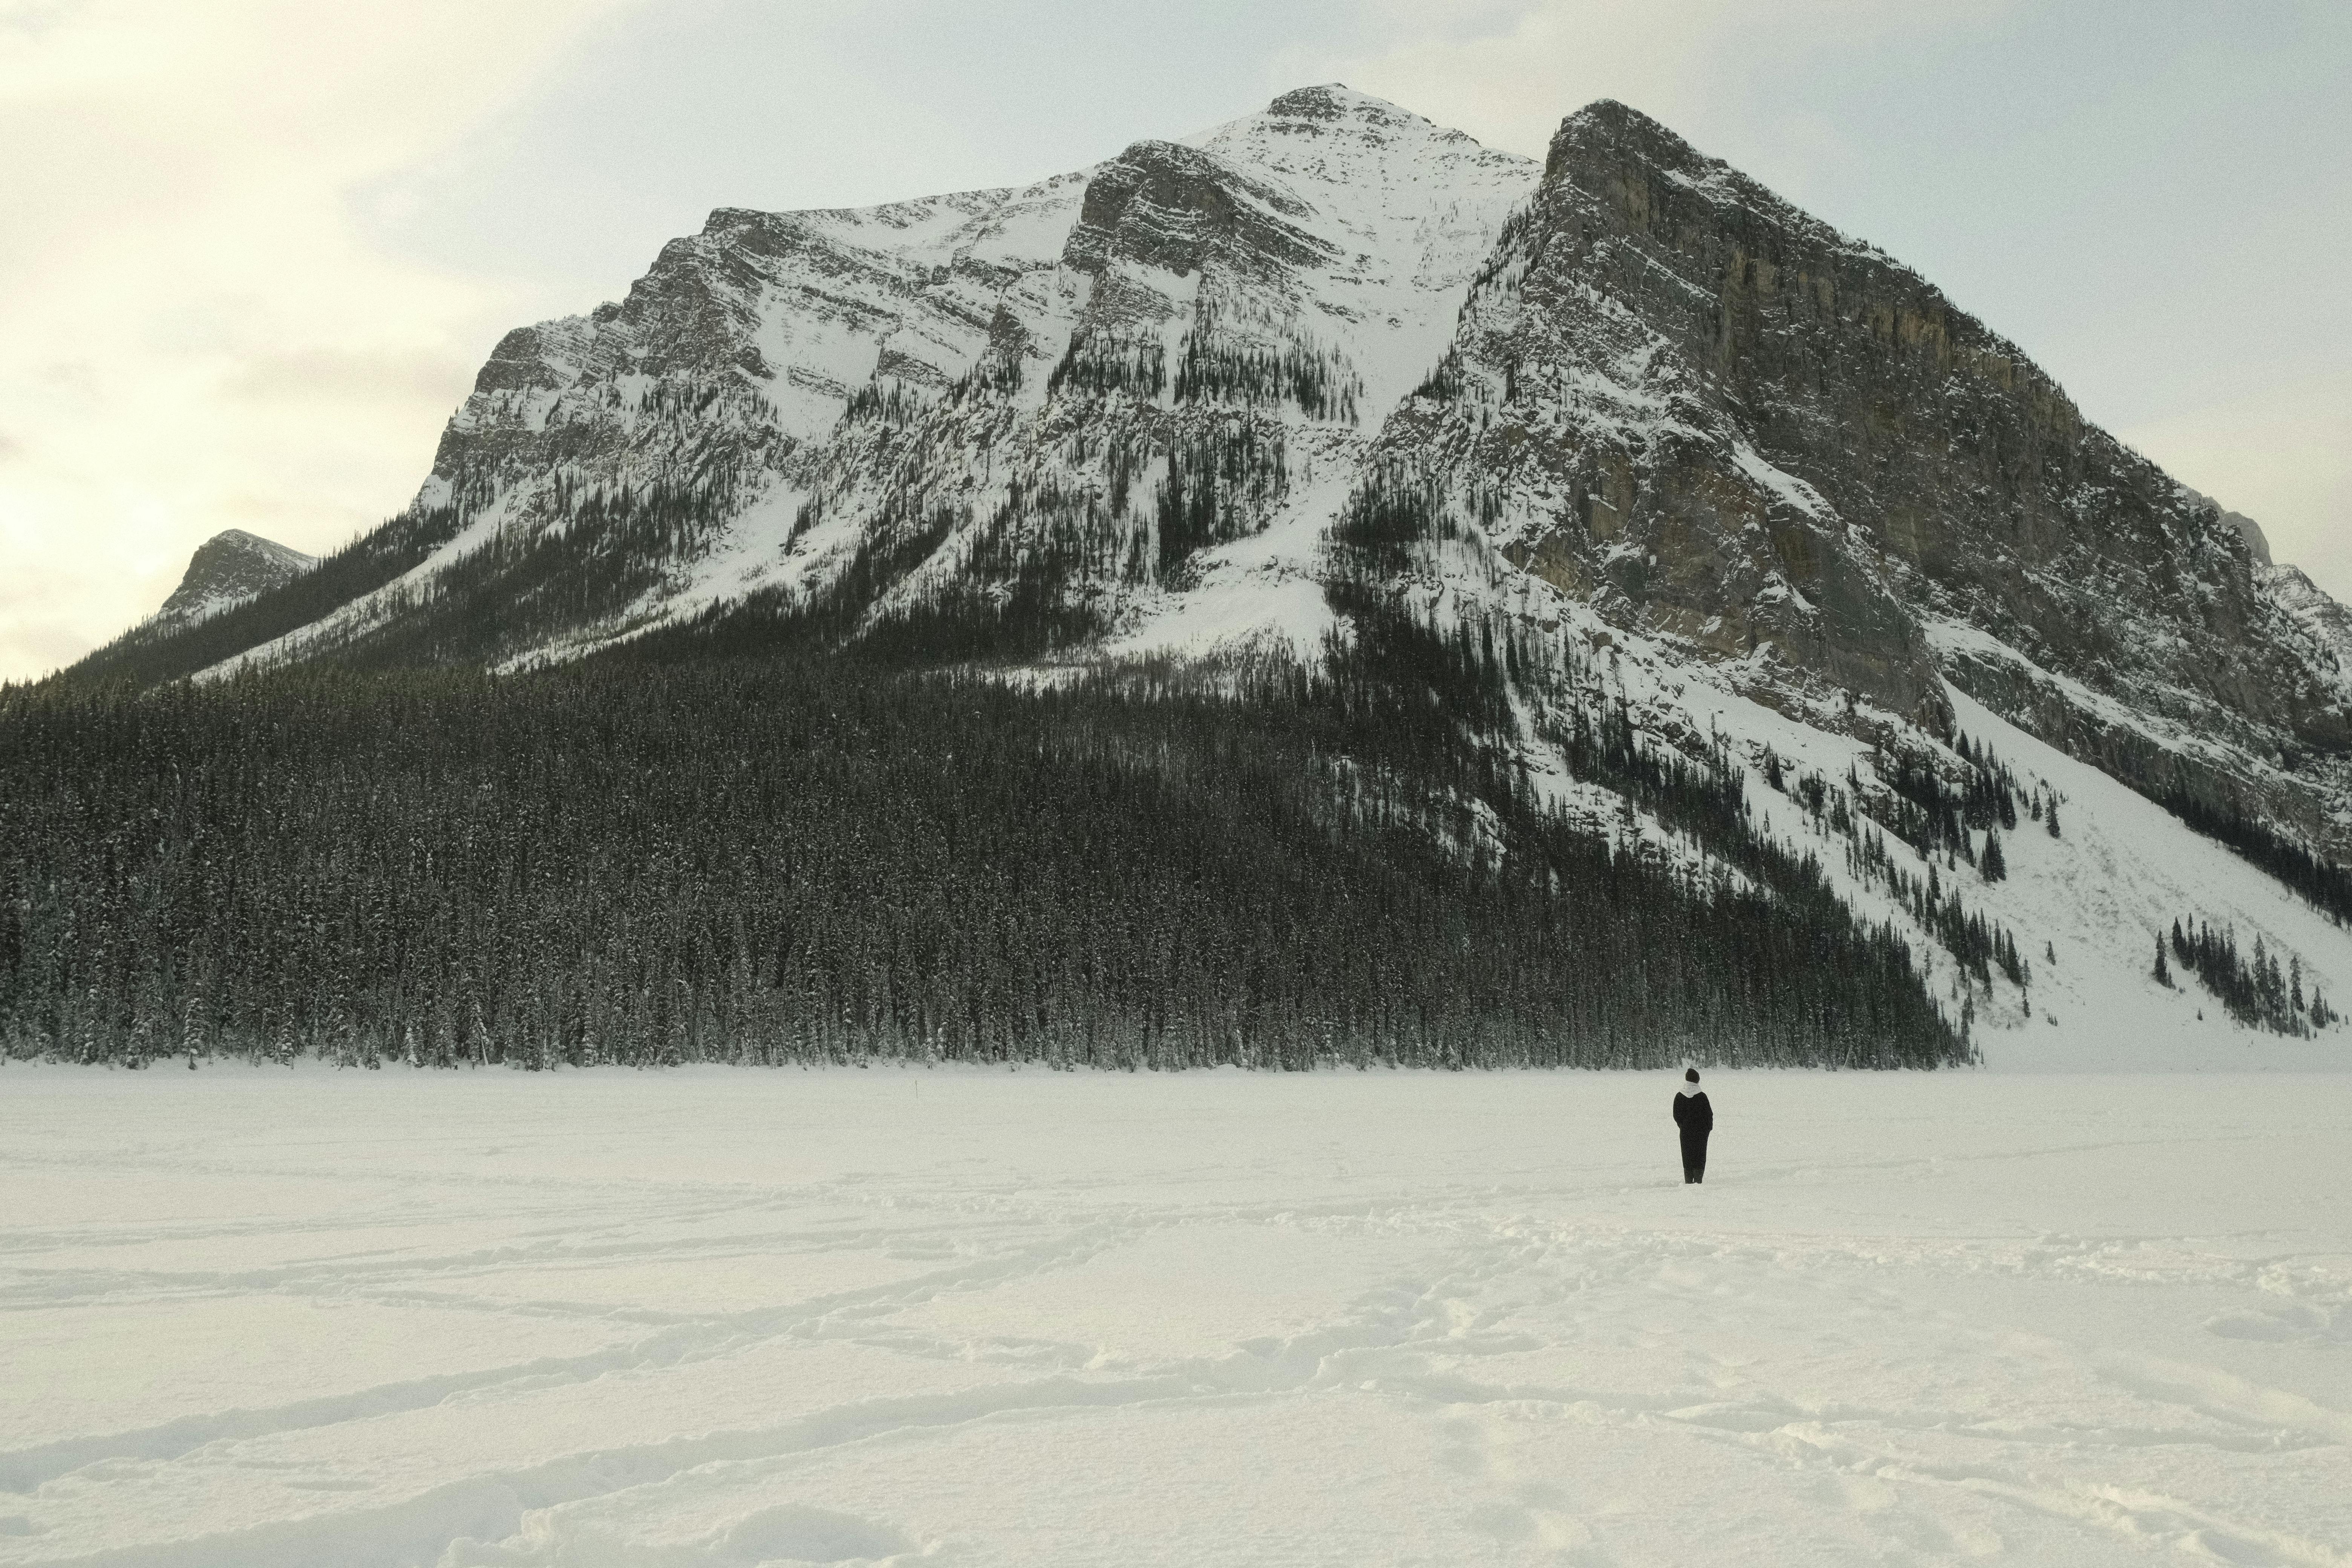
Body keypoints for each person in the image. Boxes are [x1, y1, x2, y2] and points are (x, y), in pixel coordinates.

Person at [1673, 1068, 1712, 1184]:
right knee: (1700, 1156)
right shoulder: (1702, 1096)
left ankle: (1689, 1181)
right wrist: (1707, 1129)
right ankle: (1698, 1181)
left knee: (1687, 1156)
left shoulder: (1679, 1096)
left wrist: (1683, 1126)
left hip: (1685, 1132)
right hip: (1701, 1133)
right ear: (1697, 1081)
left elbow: (1676, 1115)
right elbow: (1709, 1115)